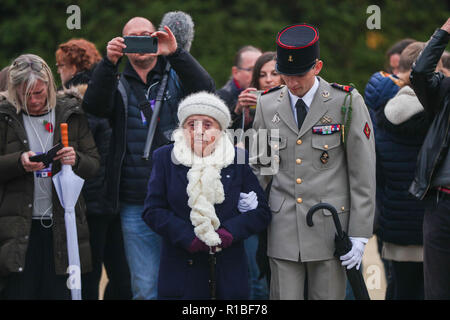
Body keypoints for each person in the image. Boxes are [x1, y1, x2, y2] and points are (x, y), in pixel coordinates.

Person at [82, 17, 215, 300]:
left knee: (187, 281)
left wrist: (176, 53)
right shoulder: (115, 79)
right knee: (144, 287)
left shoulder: (175, 74)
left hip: (180, 196)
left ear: (157, 39)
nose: (141, 42)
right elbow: (93, 106)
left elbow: (206, 90)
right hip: (135, 201)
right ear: (124, 44)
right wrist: (108, 62)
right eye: (133, 37)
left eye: (147, 35)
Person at [251, 24, 375, 300]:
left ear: (317, 67)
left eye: (300, 74)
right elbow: (261, 167)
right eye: (286, 74)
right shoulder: (267, 104)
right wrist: (249, 198)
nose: (293, 83)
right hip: (282, 228)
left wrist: (360, 233)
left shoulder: (346, 102)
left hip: (329, 226)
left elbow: (362, 174)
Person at [142, 91, 271, 299]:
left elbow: (261, 213)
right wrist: (188, 237)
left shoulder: (237, 159)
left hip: (228, 266)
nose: (199, 131)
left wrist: (228, 233)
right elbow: (152, 211)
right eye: (192, 124)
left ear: (220, 130)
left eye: (208, 124)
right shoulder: (165, 157)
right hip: (182, 265)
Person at [0, 54, 99, 299]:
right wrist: (18, 162)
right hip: (17, 227)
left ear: (49, 87)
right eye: (25, 94)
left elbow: (94, 165)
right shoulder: (4, 116)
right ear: (13, 91)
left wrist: (75, 159)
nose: (33, 100)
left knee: (58, 293)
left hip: (62, 226)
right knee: (19, 292)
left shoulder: (71, 113)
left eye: (39, 93)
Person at [56, 38, 132, 300]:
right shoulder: (112, 89)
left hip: (91, 200)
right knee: (121, 275)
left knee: (89, 274)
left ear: (73, 66)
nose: (59, 72)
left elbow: (96, 154)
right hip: (113, 198)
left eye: (60, 66)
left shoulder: (77, 101)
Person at [375, 42, 430, 300]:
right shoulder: (438, 114)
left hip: (395, 228)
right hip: (434, 226)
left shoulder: (381, 116)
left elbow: (378, 178)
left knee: (399, 290)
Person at [229, 51, 282, 299]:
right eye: (262, 75)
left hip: (284, 202)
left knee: (280, 272)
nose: (269, 79)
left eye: (274, 73)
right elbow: (230, 150)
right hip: (251, 200)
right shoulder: (249, 108)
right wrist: (240, 113)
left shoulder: (295, 108)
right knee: (255, 275)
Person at [409, 18, 450, 300]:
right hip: (442, 203)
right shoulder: (445, 91)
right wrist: (444, 32)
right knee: (437, 290)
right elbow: (420, 73)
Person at [216, 45, 262, 116]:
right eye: (252, 69)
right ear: (235, 72)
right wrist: (236, 112)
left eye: (260, 69)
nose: (258, 74)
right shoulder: (220, 101)